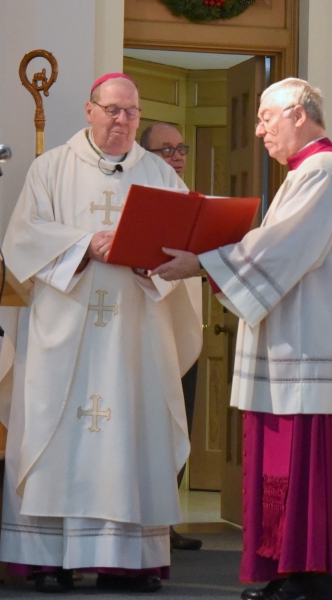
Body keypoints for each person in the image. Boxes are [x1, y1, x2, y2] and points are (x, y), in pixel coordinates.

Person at [153, 77, 332, 600]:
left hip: (310, 350)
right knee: (286, 472)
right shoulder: (307, 173)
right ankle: (289, 573)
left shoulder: (326, 172)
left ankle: (307, 578)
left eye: (265, 118)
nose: (257, 131)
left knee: (306, 473)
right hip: (293, 346)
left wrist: (202, 262)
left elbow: (280, 250)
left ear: (298, 114)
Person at [0, 73, 203, 593]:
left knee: (130, 435)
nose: (122, 120)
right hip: (64, 332)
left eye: (131, 112)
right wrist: (86, 244)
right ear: (89, 111)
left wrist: (149, 262)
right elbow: (23, 239)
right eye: (112, 110)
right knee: (53, 430)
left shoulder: (160, 175)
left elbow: (184, 246)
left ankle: (126, 562)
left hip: (134, 334)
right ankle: (47, 558)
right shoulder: (51, 169)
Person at [139, 121, 202, 552]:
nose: (177, 156)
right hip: (150, 326)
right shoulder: (141, 199)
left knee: (182, 415)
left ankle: (168, 517)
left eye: (180, 148)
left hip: (188, 322)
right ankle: (145, 518)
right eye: (165, 150)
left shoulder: (192, 201)